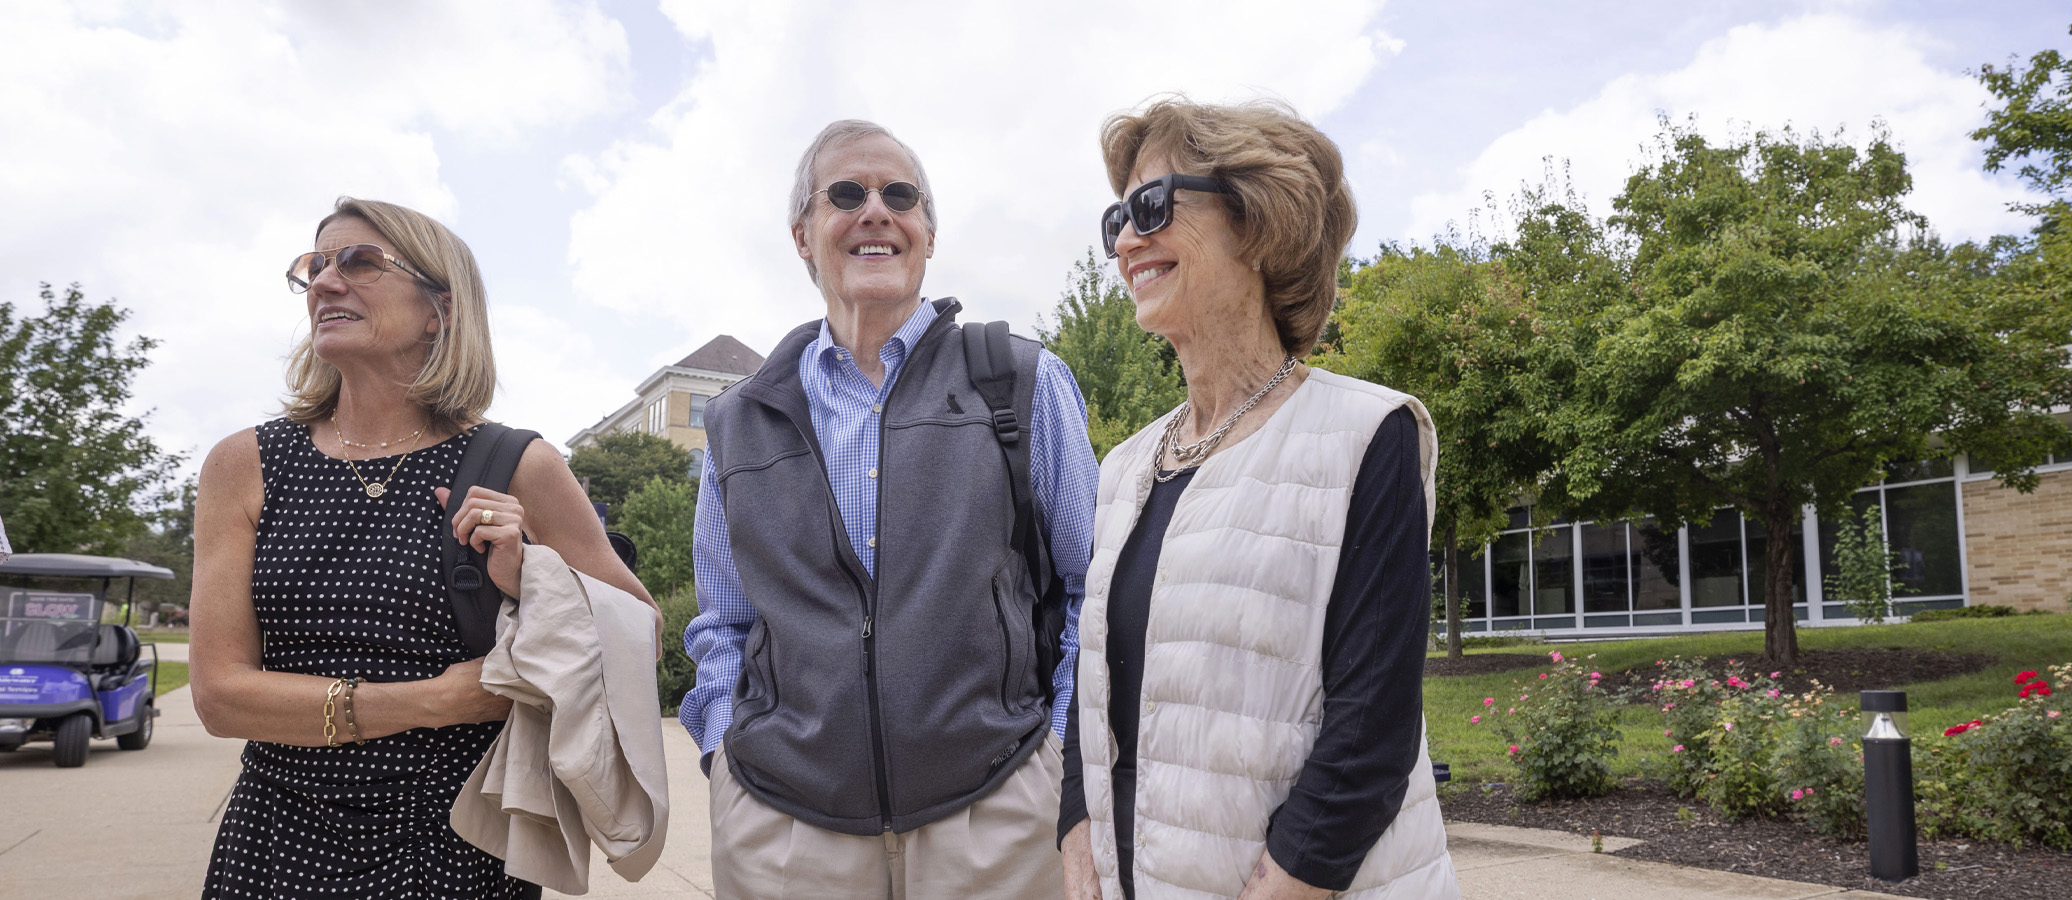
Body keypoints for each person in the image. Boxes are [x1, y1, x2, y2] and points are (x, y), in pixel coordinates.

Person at [681, 119, 1101, 899]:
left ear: (928, 234)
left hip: (998, 818)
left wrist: (1060, 760)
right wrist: (723, 759)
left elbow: (1092, 591)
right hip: (786, 828)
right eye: (846, 193)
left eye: (899, 195)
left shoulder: (1019, 381)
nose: (875, 209)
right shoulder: (739, 419)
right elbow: (724, 625)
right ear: (803, 235)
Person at [191, 197, 653, 899]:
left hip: (459, 850)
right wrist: (432, 701)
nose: (324, 281)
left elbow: (638, 635)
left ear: (440, 309)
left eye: (359, 262)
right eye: (315, 266)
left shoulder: (517, 463)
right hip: (273, 845)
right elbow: (221, 697)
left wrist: (532, 574)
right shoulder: (247, 464)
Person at [1059, 98, 1460, 900]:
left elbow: (1372, 729)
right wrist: (1075, 824)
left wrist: (1283, 885)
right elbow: (1094, 682)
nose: (1128, 239)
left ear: (1256, 220)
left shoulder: (1366, 433)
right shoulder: (1125, 467)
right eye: (1117, 219)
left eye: (1152, 204)